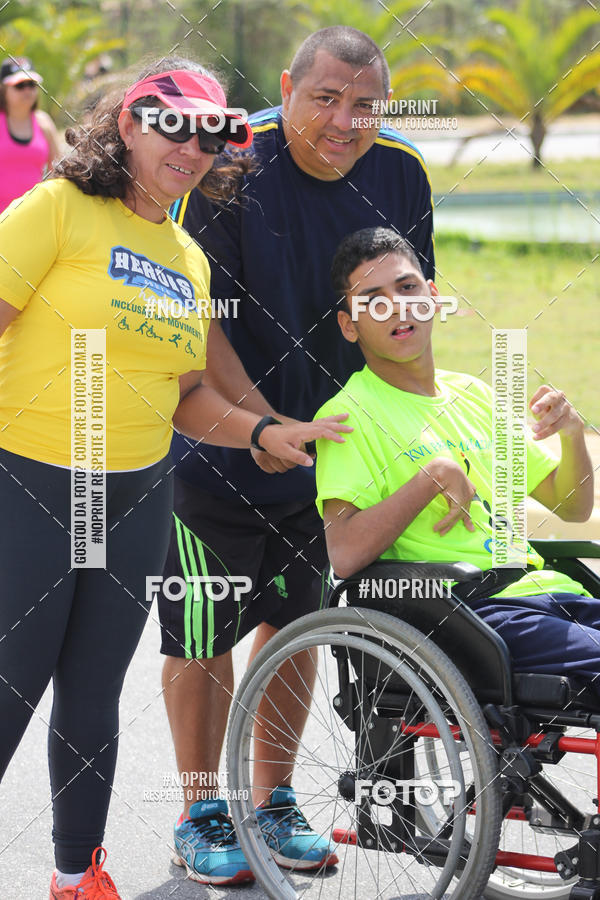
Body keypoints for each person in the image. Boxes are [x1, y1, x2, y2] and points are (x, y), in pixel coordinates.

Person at [0, 59, 350, 900]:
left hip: (137, 494)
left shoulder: (186, 257)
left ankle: (75, 875)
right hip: (37, 477)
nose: (190, 151)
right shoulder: (59, 209)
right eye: (174, 129)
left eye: (208, 136)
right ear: (128, 125)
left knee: (91, 700)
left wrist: (265, 430)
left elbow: (188, 396)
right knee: (13, 685)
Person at [159, 25, 435, 885]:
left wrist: (415, 426)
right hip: (218, 442)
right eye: (326, 98)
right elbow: (198, 321)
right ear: (287, 86)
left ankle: (272, 800)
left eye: (365, 105)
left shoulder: (402, 172)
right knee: (203, 629)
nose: (345, 121)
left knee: (297, 624)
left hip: (337, 453)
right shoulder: (228, 164)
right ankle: (203, 809)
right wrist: (262, 426)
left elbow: (405, 316)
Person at [315, 226, 600, 699]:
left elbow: (572, 506)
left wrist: (572, 436)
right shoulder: (349, 417)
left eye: (407, 288)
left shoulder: (473, 394)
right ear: (350, 325)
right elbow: (343, 554)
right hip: (470, 613)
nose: (397, 307)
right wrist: (429, 478)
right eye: (373, 300)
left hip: (546, 592)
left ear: (432, 297)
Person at [0, 57, 60, 212]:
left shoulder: (44, 122)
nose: (27, 90)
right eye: (20, 85)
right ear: (3, 89)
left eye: (31, 85)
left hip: (34, 215)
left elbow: (58, 172)